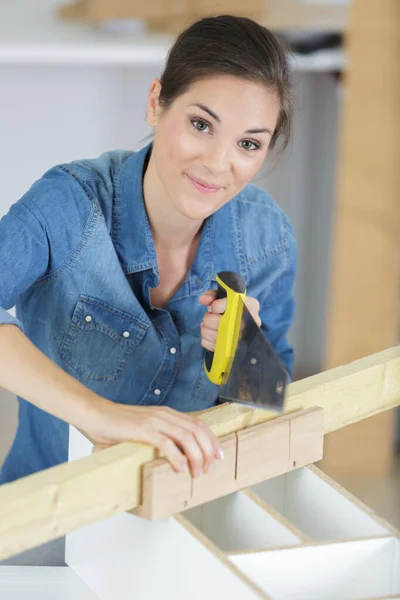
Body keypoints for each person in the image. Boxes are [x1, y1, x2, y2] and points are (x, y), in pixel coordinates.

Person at [0, 14, 296, 485]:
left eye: (248, 143)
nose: (219, 164)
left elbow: (269, 410)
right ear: (157, 103)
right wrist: (101, 415)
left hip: (188, 520)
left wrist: (248, 359)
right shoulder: (69, 204)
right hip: (52, 512)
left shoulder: (268, 239)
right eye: (201, 124)